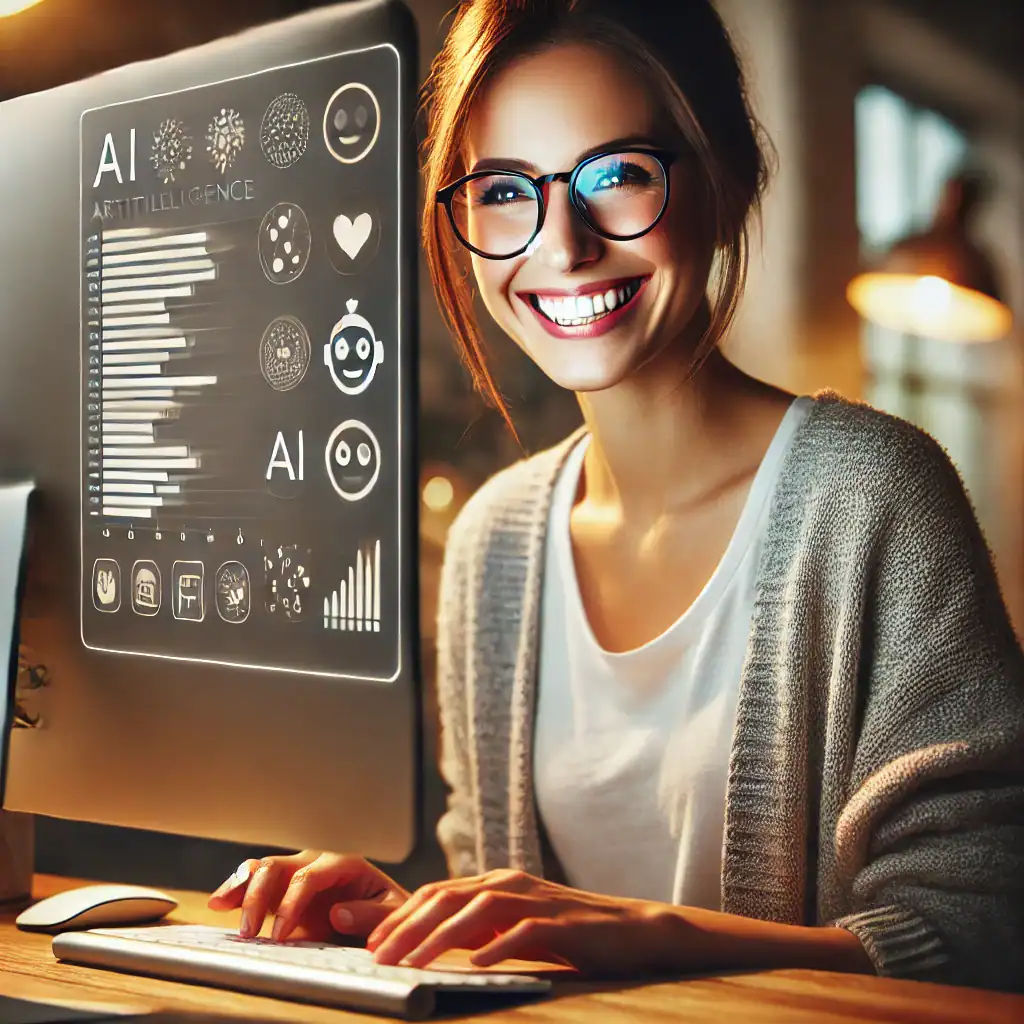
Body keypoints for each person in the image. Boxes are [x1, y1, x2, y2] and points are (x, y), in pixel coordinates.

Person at [210, 0, 1024, 990]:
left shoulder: (872, 497)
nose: (562, 244)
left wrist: (665, 938)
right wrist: (397, 915)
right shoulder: (491, 541)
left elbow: (985, 931)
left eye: (617, 175)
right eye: (505, 190)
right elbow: (520, 928)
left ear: (726, 181)